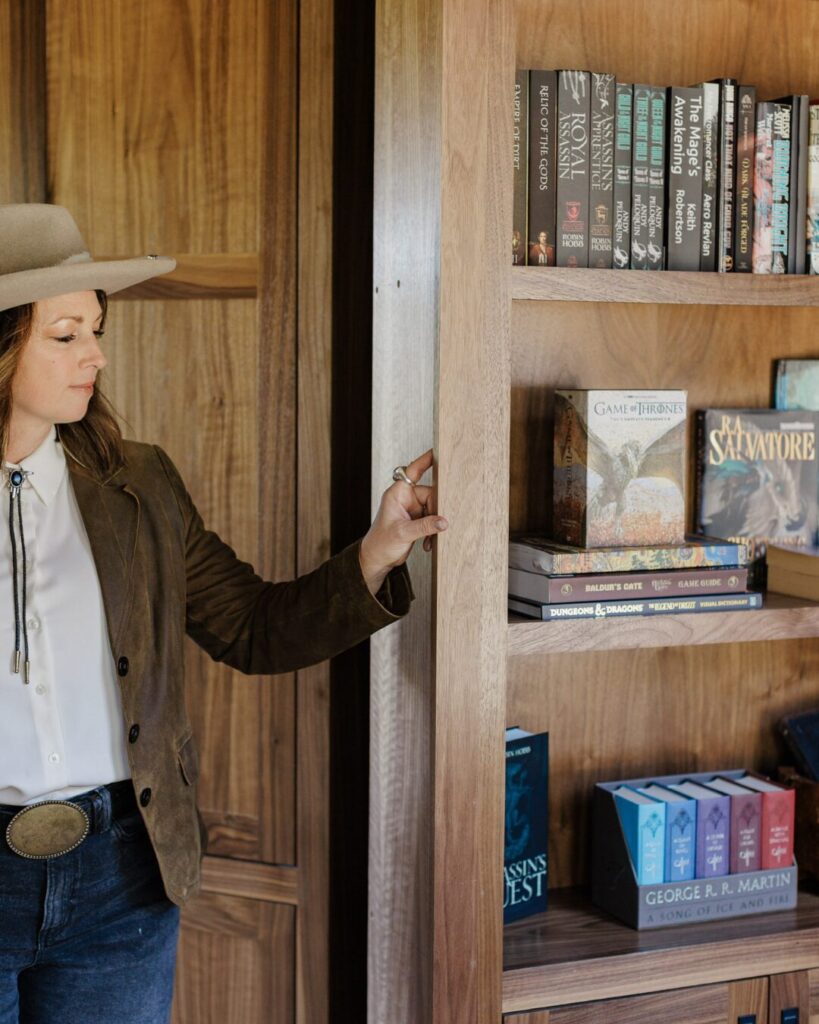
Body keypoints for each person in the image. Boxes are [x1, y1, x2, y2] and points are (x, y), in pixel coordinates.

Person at [0, 204, 447, 1024]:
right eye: (65, 335)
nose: (95, 356)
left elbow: (249, 625)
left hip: (120, 878)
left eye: (96, 329)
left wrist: (379, 550)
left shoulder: (139, 485)